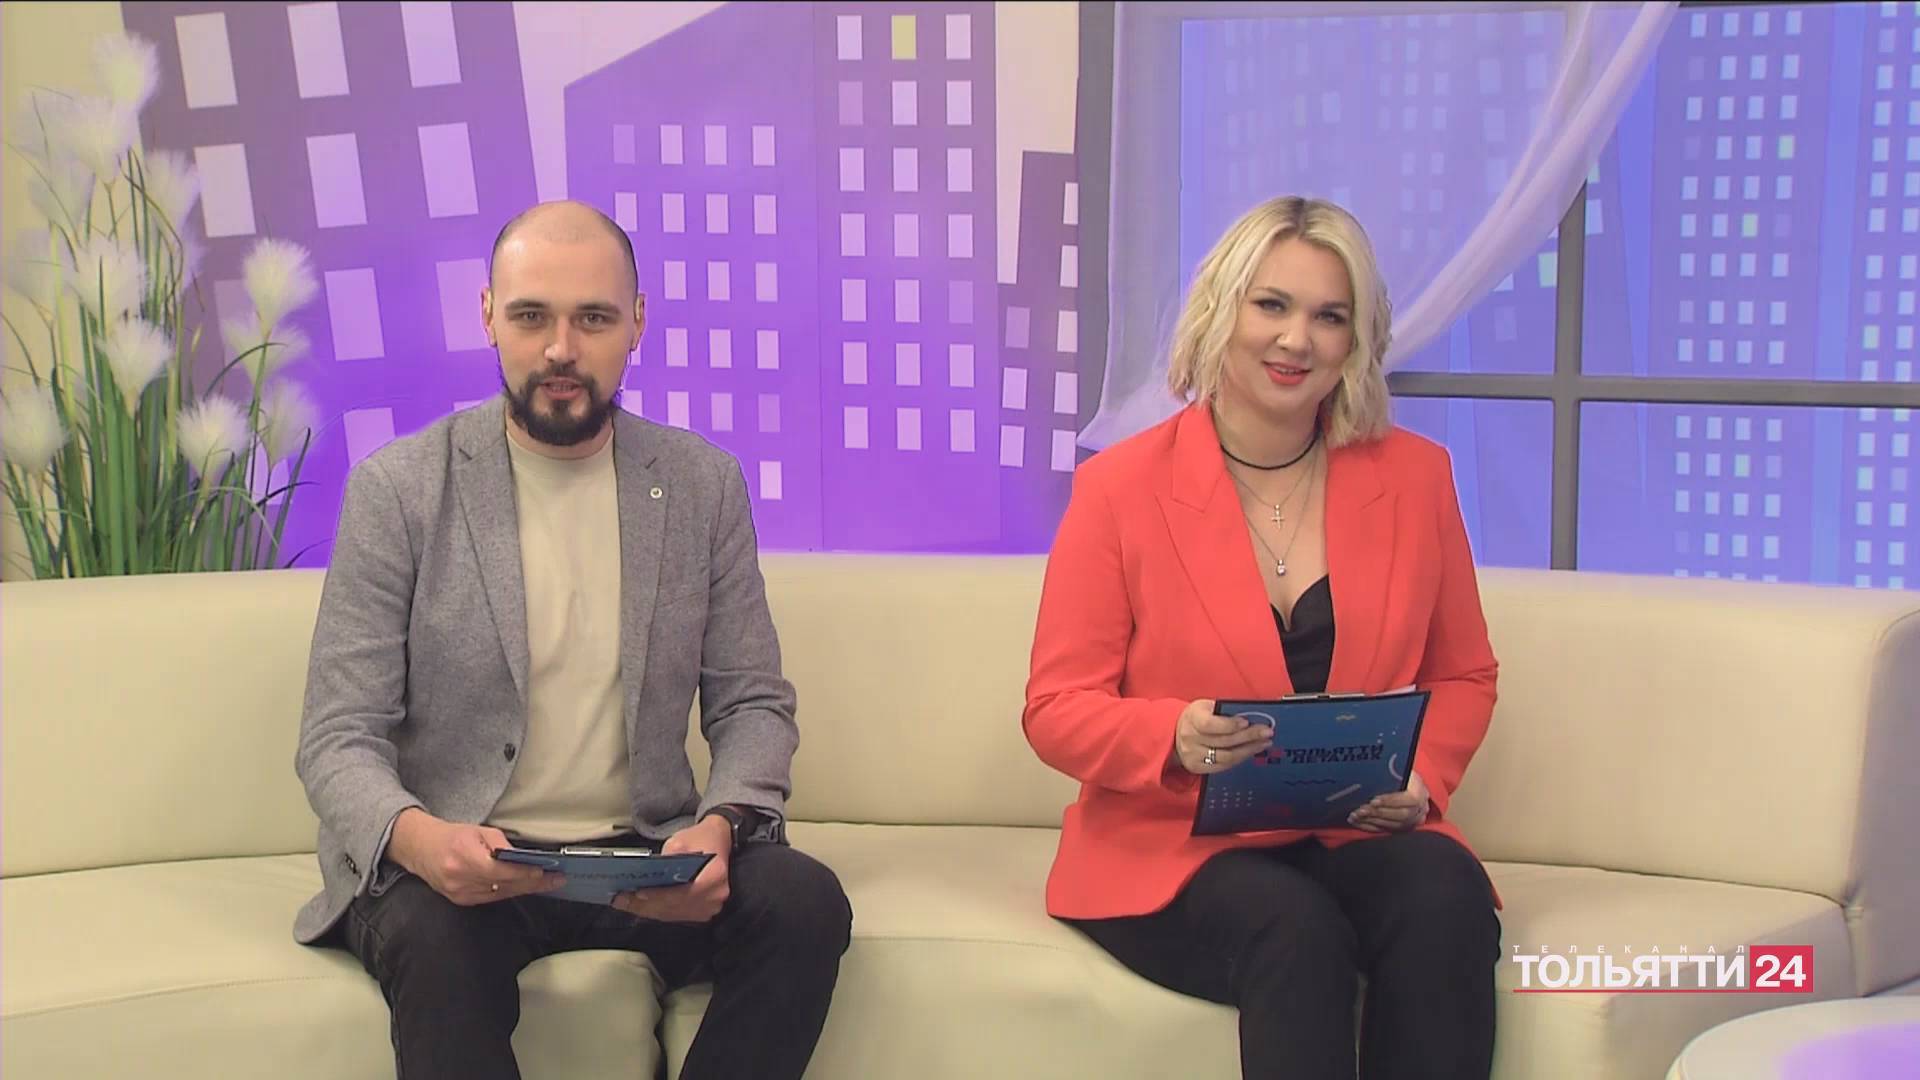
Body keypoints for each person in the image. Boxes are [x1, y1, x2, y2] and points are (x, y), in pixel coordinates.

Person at [293, 200, 852, 1080]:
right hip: (462, 862)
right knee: (436, 947)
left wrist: (720, 823)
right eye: (531, 317)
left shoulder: (702, 485)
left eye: (592, 318)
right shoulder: (398, 490)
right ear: (488, 317)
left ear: (637, 323)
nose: (561, 349)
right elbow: (337, 735)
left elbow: (751, 702)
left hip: (644, 859)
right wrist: (420, 840)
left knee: (804, 902)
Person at [1023, 195, 1501, 1079]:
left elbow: (1465, 673)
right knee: (1296, 932)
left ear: (1356, 341)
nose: (1296, 340)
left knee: (1446, 895)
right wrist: (1171, 735)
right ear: (1221, 310)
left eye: (1329, 317)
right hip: (1173, 845)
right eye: (1272, 305)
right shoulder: (1120, 490)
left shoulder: (1417, 478)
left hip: (1354, 829)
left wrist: (1422, 779)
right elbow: (1056, 708)